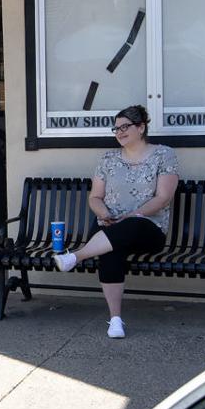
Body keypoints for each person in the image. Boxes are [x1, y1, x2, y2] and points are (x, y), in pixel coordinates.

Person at [53, 103, 179, 339]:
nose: (119, 132)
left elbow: (163, 198)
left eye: (125, 127)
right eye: (116, 128)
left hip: (147, 227)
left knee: (128, 228)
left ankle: (75, 256)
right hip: (109, 226)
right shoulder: (108, 158)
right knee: (111, 249)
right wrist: (102, 213)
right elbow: (95, 197)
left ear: (141, 128)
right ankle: (115, 320)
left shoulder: (164, 154)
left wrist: (131, 215)